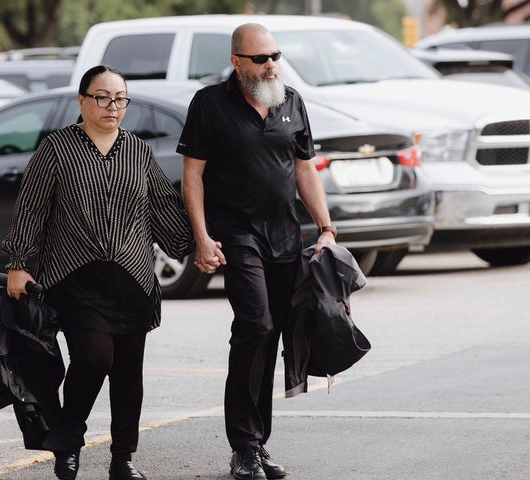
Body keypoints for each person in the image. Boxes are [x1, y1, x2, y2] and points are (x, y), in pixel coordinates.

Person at [3, 65, 194, 480]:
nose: (112, 106)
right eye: (102, 97)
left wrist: (196, 245)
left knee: (129, 374)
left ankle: (123, 458)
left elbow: (163, 205)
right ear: (82, 101)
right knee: (93, 359)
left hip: (132, 278)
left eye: (120, 98)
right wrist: (18, 263)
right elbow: (31, 209)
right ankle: (67, 441)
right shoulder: (57, 149)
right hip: (74, 276)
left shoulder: (138, 151)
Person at [177, 23, 336, 480]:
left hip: (286, 237)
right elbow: (193, 177)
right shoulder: (209, 104)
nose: (271, 65)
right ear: (236, 62)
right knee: (255, 324)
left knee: (274, 335)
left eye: (275, 56)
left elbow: (305, 170)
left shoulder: (290, 100)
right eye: (260, 58)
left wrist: (325, 227)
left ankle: (257, 445)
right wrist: (202, 237)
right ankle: (244, 445)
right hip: (236, 233)